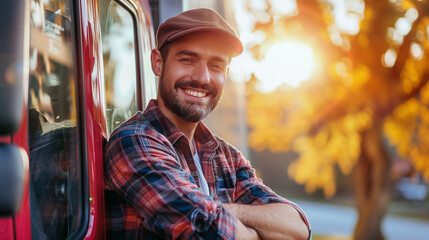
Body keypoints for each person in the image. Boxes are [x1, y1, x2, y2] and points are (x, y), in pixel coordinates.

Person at [104, 8, 311, 240]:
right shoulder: (134, 141)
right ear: (158, 63)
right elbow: (206, 232)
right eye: (188, 60)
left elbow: (298, 229)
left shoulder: (227, 157)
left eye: (216, 66)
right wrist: (256, 233)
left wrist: (227, 211)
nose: (202, 78)